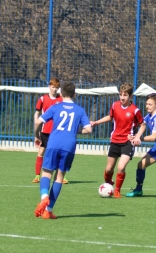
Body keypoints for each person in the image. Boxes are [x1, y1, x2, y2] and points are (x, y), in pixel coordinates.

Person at [34, 82, 92, 219]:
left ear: (61, 94)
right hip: (69, 146)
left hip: (53, 143)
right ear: (74, 95)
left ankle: (44, 196)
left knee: (46, 173)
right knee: (59, 177)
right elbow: (89, 129)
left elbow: (38, 122)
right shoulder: (80, 110)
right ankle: (48, 210)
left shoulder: (55, 107)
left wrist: (37, 136)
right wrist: (75, 129)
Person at [91, 83, 143, 198]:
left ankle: (117, 191)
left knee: (120, 167)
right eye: (120, 94)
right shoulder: (115, 105)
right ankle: (109, 185)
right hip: (115, 141)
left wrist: (137, 137)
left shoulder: (135, 110)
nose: (122, 97)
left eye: (125, 95)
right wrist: (96, 122)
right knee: (109, 169)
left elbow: (142, 125)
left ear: (130, 96)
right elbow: (110, 117)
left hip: (127, 143)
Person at [32, 77, 69, 184]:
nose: (54, 89)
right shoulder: (43, 99)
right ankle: (37, 175)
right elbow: (37, 113)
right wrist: (36, 128)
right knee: (41, 151)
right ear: (49, 86)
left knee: (59, 153)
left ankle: (61, 176)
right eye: (53, 87)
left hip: (57, 131)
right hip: (45, 130)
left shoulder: (61, 99)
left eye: (56, 87)